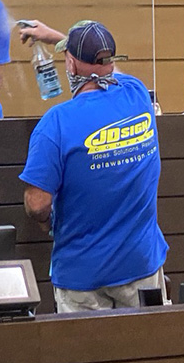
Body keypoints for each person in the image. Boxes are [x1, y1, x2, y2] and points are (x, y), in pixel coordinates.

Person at [18, 20, 169, 312]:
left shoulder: (55, 123)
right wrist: (62, 40)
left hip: (81, 276)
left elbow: (38, 204)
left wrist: (47, 224)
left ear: (71, 65)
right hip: (141, 265)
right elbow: (107, 71)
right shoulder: (137, 94)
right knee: (148, 354)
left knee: (85, 357)